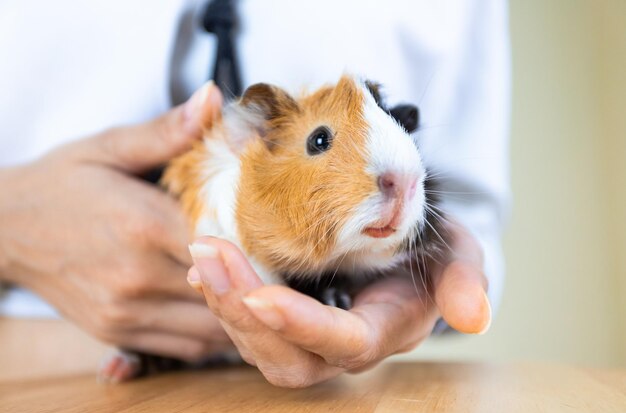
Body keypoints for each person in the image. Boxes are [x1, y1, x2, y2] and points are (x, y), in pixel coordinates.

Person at [0, 0, 510, 387]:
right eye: (321, 142)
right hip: (39, 375)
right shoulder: (241, 164)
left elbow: (468, 209)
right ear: (258, 137)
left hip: (337, 392)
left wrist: (434, 278)